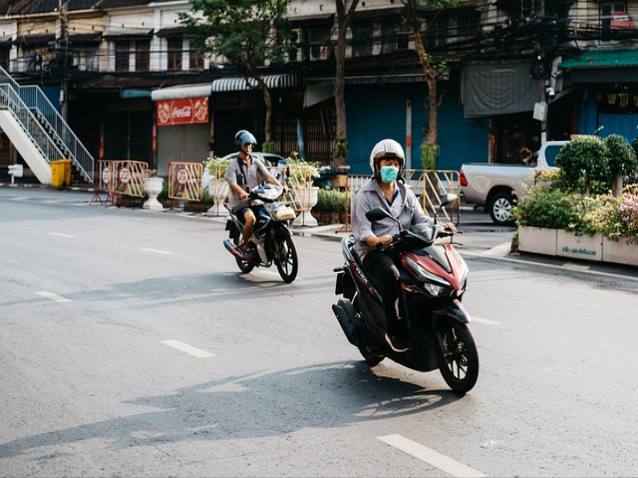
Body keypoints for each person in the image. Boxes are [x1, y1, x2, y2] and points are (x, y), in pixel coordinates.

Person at [351, 139, 456, 352]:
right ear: (376, 166)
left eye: (395, 163)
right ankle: (394, 329)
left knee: (429, 268)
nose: (391, 167)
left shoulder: (405, 192)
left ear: (400, 167)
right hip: (374, 251)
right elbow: (363, 232)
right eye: (386, 162)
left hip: (402, 244)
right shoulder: (365, 196)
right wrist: (378, 240)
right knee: (392, 276)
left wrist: (440, 225)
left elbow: (421, 219)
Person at [225, 130, 283, 260]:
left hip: (256, 200)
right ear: (240, 146)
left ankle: (265, 242)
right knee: (251, 219)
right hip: (241, 204)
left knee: (271, 217)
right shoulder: (233, 164)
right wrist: (242, 193)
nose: (249, 148)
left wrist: (281, 186)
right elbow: (233, 183)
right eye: (246, 145)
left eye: (251, 145)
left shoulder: (256, 162)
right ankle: (245, 245)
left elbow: (268, 177)